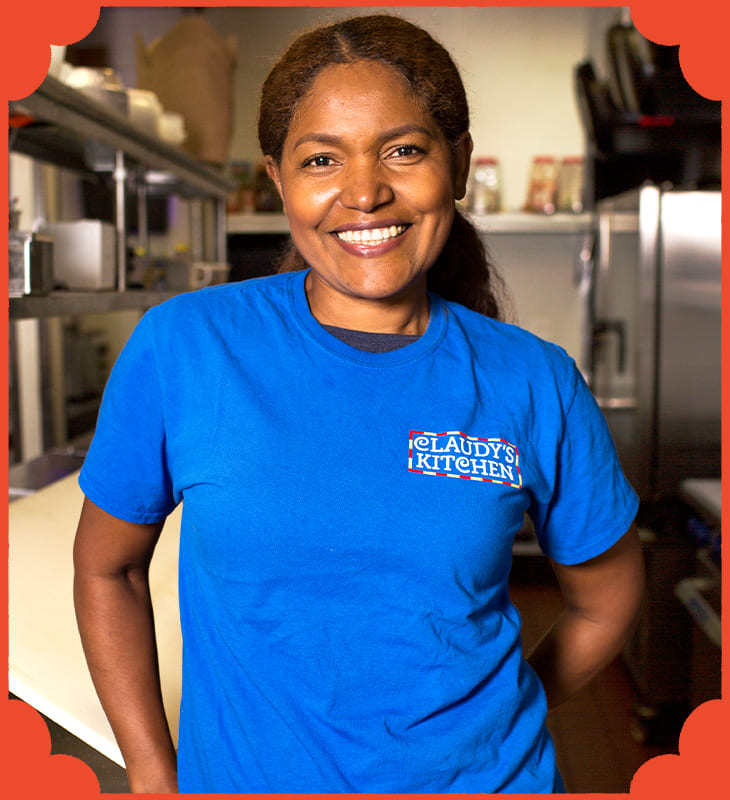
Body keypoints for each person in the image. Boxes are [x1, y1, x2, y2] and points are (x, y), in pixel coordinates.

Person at [73, 13, 645, 794]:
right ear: (278, 180)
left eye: (404, 150)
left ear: (460, 164)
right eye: (321, 160)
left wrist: (500, 719)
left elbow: (606, 598)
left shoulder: (532, 380)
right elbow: (108, 571)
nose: (366, 191)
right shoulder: (188, 348)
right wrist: (149, 770)